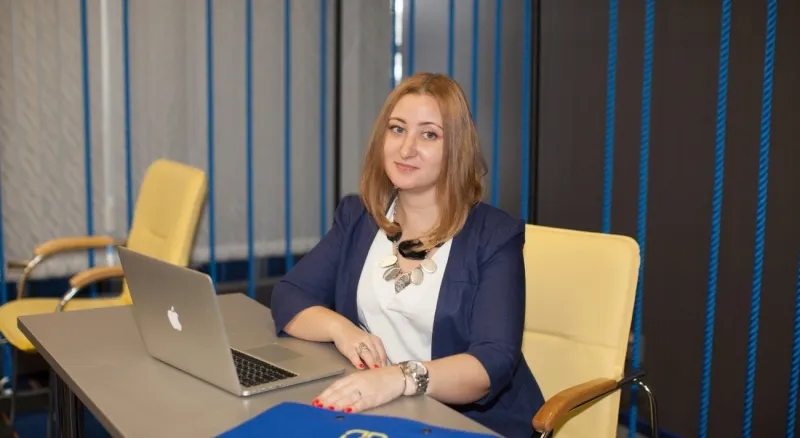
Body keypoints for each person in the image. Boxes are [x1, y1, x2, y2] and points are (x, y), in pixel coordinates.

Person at [270, 72, 545, 438]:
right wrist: (341, 330)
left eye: (429, 134)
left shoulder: (494, 236)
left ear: (457, 148)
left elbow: (490, 364)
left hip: (471, 423)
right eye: (397, 129)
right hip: (381, 409)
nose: (406, 149)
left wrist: (400, 378)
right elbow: (290, 295)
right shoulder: (359, 217)